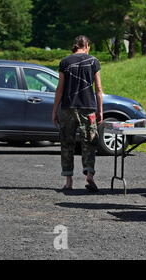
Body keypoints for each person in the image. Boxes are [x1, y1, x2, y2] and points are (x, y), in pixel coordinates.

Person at [52, 35, 103, 192]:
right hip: (88, 107)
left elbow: (59, 89)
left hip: (67, 108)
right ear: (86, 45)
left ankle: (68, 181)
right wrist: (100, 110)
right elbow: (99, 89)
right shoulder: (93, 61)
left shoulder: (65, 62)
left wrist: (55, 110)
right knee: (90, 142)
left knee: (67, 143)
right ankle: (89, 175)